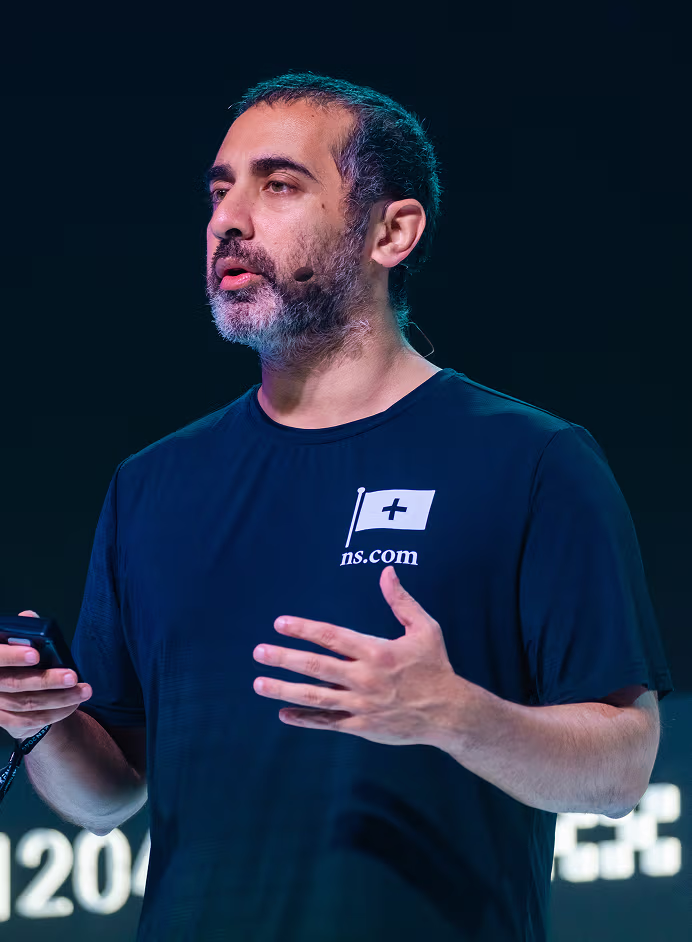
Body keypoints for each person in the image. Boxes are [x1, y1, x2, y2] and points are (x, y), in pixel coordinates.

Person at [5, 73, 672, 942]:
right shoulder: (150, 485)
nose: (228, 219)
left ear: (391, 231)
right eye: (220, 189)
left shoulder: (531, 459)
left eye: (278, 184)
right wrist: (42, 722)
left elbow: (621, 769)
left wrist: (457, 716)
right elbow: (111, 796)